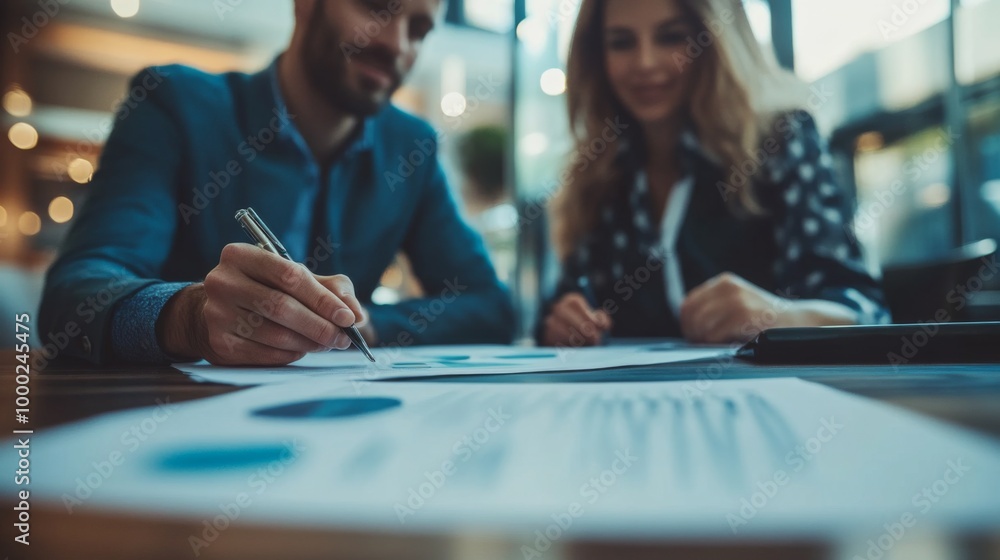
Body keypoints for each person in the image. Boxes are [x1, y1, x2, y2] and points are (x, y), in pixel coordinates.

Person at [39, 0, 515, 367]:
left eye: (419, 30)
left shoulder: (412, 150)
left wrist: (369, 324)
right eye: (374, 6)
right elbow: (76, 293)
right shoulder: (175, 105)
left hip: (342, 431)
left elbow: (491, 306)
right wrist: (190, 318)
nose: (397, 44)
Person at [540, 0, 890, 347]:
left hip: (762, 398)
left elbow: (867, 311)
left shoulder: (780, 142)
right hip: (629, 400)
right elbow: (561, 310)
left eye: (671, 37)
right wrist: (563, 324)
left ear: (716, 40)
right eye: (621, 42)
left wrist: (779, 315)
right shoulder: (597, 177)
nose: (645, 62)